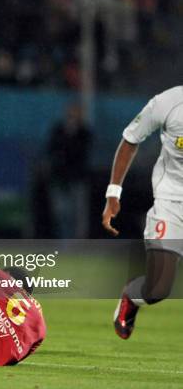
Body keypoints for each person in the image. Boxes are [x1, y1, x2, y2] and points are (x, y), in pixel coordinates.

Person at [102, 86, 183, 339]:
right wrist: (114, 192)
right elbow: (131, 138)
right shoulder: (168, 103)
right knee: (157, 289)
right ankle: (131, 296)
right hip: (172, 202)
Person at [47, 103, 92, 238]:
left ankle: (77, 244)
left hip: (77, 179)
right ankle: (64, 242)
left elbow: (80, 153)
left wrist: (73, 134)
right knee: (61, 214)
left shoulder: (84, 133)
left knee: (78, 215)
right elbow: (52, 150)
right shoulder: (59, 131)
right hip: (60, 179)